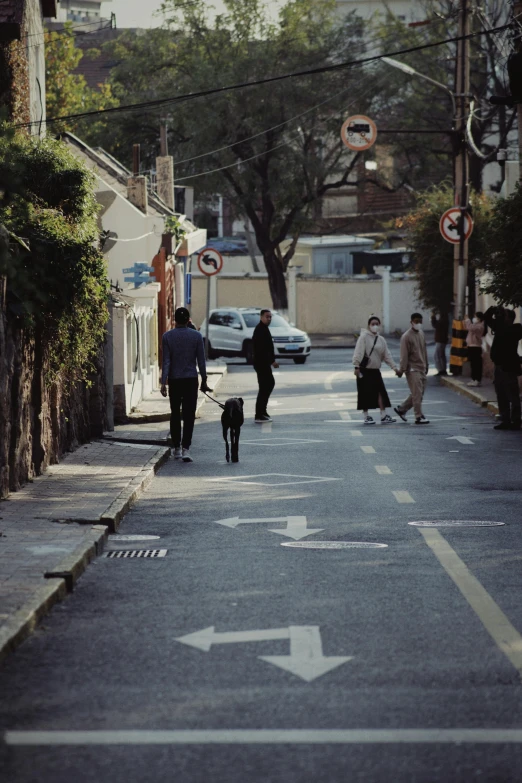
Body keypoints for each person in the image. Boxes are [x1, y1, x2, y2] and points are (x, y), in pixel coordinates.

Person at [160, 307, 210, 462]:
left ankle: (176, 448)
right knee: (189, 415)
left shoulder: (167, 336)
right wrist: (204, 380)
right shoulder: (196, 336)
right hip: (190, 379)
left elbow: (166, 361)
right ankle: (186, 448)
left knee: (175, 413)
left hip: (175, 380)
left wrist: (163, 382)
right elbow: (201, 361)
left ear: (175, 320)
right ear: (189, 320)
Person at [353, 316, 401, 424]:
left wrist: (394, 368)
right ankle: (366, 416)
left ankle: (383, 415)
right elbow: (359, 352)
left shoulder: (381, 339)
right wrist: (356, 366)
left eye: (377, 324)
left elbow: (386, 355)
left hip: (375, 370)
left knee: (380, 392)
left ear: (379, 325)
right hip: (364, 370)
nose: (375, 326)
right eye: (372, 324)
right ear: (369, 326)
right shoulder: (364, 337)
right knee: (364, 393)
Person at [484, 306, 522, 431]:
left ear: (509, 318)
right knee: (501, 394)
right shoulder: (499, 327)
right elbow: (486, 318)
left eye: (502, 316)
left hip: (509, 366)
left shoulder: (515, 329)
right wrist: (493, 310)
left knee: (512, 394)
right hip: (499, 366)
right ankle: (505, 419)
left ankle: (516, 420)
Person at [394, 313, 430, 425]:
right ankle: (418, 416)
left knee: (418, 393)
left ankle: (402, 409)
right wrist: (402, 369)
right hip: (412, 369)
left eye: (420, 321)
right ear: (411, 322)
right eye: (416, 321)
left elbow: (424, 350)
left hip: (421, 367)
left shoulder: (421, 334)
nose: (418, 323)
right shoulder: (406, 337)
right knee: (417, 393)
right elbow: (404, 355)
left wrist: (426, 365)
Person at [252, 309, 279, 423]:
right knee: (265, 386)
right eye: (267, 317)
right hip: (261, 363)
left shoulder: (264, 329)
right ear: (261, 317)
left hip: (263, 363)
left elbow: (268, 347)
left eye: (270, 317)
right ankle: (259, 414)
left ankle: (262, 411)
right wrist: (271, 361)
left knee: (267, 385)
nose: (269, 319)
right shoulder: (259, 330)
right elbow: (262, 349)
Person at [464, 312, 486, 387]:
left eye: (475, 317)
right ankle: (474, 379)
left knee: (476, 364)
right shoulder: (475, 325)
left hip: (476, 347)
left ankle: (477, 379)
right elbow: (467, 327)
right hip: (471, 346)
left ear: (479, 318)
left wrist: (467, 320)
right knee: (473, 364)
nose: (474, 318)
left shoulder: (480, 326)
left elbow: (470, 328)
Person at [430, 310, 449, 376]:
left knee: (438, 355)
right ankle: (443, 369)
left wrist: (433, 317)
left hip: (440, 340)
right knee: (441, 355)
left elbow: (435, 325)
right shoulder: (445, 321)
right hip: (442, 340)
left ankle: (441, 370)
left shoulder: (442, 321)